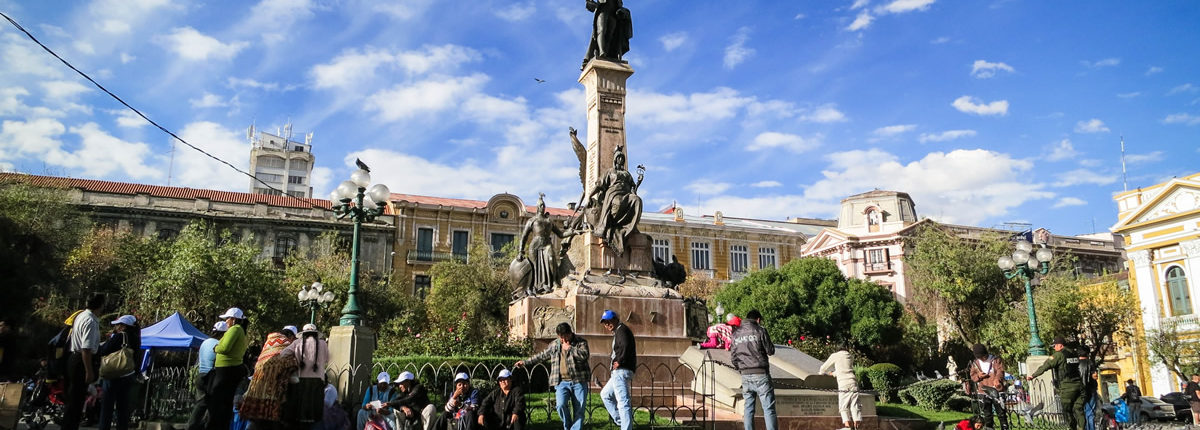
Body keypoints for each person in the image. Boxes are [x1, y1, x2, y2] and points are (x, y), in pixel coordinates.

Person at [515, 322, 590, 430]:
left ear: (570, 333)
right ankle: (567, 426)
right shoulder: (555, 344)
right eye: (560, 337)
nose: (562, 340)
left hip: (579, 381)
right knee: (560, 405)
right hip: (561, 382)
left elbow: (584, 355)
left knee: (579, 410)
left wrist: (570, 348)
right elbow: (542, 355)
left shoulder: (581, 342)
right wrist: (525, 362)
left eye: (564, 337)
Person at [582, 145, 644, 256]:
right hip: (613, 194)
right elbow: (599, 185)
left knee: (637, 200)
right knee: (619, 202)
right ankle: (612, 225)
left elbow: (633, 188)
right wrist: (589, 195)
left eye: (622, 158)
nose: (621, 160)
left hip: (627, 194)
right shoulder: (610, 172)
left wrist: (638, 182)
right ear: (615, 159)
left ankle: (629, 229)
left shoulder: (627, 174)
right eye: (619, 157)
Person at [240, 326, 299, 427]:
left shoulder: (268, 344)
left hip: (256, 391)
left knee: (257, 423)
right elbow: (290, 364)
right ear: (290, 336)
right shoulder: (285, 345)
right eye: (294, 338)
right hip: (272, 394)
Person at [513, 194, 572, 294]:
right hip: (535, 246)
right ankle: (536, 287)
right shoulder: (532, 220)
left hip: (547, 244)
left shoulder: (549, 221)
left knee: (551, 259)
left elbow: (561, 234)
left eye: (543, 206)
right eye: (540, 206)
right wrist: (520, 251)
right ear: (537, 207)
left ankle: (554, 282)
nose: (542, 207)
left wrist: (573, 231)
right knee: (535, 267)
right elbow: (524, 237)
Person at [63, 293, 104, 430]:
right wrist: (89, 371)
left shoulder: (80, 316)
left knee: (73, 397)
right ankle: (70, 427)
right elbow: (86, 348)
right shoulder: (90, 321)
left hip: (73, 357)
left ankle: (68, 425)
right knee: (77, 400)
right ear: (100, 306)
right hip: (82, 360)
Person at [731, 309, 776, 430]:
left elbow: (734, 358)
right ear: (758, 319)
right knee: (768, 408)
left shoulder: (736, 334)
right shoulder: (760, 331)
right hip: (761, 374)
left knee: (748, 408)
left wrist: (741, 368)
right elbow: (770, 350)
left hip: (745, 375)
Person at [1028, 337, 1084, 430]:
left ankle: (1071, 428)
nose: (1054, 348)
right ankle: (1082, 428)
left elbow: (1046, 366)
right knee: (1079, 410)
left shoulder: (1059, 355)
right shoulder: (1073, 353)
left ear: (1060, 345)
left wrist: (1033, 376)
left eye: (1055, 346)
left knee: (1067, 411)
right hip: (1079, 386)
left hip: (1067, 387)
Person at [280, 324, 330, 427]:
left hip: (301, 381)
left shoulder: (297, 342)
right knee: (315, 413)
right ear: (315, 333)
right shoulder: (323, 344)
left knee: (301, 412)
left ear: (303, 333)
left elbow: (283, 354)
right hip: (318, 381)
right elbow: (327, 359)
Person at [209, 308, 250, 430]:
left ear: (233, 319)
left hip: (226, 369)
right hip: (231, 368)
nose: (226, 321)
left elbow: (225, 348)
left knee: (219, 401)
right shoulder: (240, 331)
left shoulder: (234, 329)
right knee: (225, 401)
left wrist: (216, 348)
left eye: (227, 318)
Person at [97, 314, 140, 430]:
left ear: (123, 326)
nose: (116, 327)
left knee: (107, 406)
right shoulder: (136, 337)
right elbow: (137, 357)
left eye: (117, 325)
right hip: (128, 375)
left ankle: (104, 427)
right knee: (123, 407)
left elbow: (104, 350)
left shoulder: (119, 336)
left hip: (114, 374)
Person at [188, 321, 228, 430]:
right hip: (210, 377)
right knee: (204, 404)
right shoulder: (218, 345)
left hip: (200, 375)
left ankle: (199, 426)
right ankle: (192, 426)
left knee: (203, 404)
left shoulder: (205, 342)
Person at [600, 310, 636, 430]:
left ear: (615, 319)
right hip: (619, 371)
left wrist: (619, 361)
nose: (607, 325)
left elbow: (626, 346)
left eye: (609, 321)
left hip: (621, 370)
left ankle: (626, 427)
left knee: (622, 401)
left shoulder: (622, 330)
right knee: (605, 395)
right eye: (605, 323)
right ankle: (622, 422)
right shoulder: (619, 331)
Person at [820, 345, 860, 430]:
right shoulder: (850, 356)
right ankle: (857, 424)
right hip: (853, 382)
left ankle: (847, 426)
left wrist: (822, 372)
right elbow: (844, 369)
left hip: (843, 383)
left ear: (837, 349)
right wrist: (833, 373)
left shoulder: (835, 355)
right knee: (854, 404)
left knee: (843, 405)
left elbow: (823, 368)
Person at [968, 344, 1007, 430]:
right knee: (987, 415)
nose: (982, 359)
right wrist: (979, 376)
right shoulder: (975, 363)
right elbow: (973, 376)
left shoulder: (995, 360)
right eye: (980, 357)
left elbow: (1000, 371)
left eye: (983, 356)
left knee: (1001, 414)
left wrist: (997, 379)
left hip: (997, 390)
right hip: (983, 391)